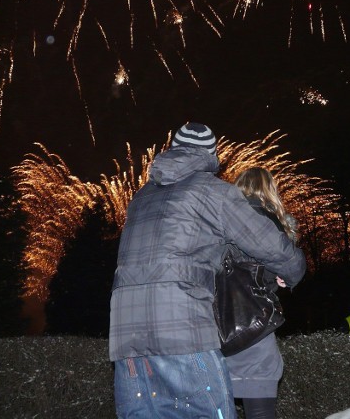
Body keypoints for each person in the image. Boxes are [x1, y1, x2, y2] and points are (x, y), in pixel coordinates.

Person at [109, 123, 307, 419]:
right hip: (182, 325)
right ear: (211, 155)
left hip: (125, 332)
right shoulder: (213, 193)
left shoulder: (140, 198)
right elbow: (272, 247)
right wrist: (293, 271)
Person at [224, 167, 303, 419]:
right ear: (269, 189)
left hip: (215, 324)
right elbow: (284, 261)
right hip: (254, 320)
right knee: (259, 388)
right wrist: (282, 277)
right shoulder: (266, 221)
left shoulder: (218, 222)